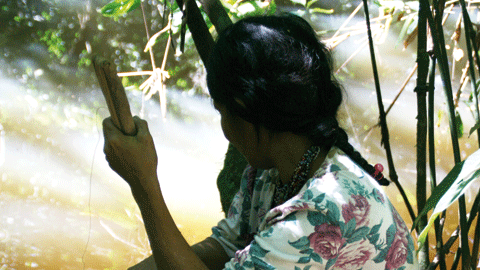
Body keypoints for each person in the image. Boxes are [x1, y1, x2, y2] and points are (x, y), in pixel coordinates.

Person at [103, 14, 418, 270]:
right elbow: (227, 245)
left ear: (242, 109)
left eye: (220, 110)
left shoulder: (323, 209)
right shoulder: (272, 174)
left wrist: (144, 184)